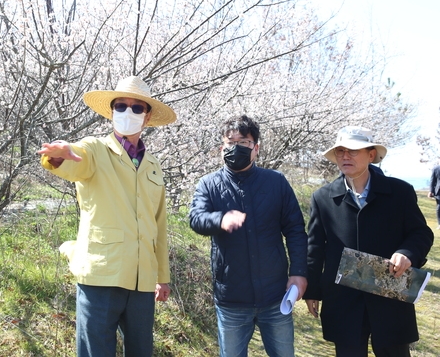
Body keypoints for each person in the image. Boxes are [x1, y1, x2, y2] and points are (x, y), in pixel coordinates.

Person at [37, 76, 176, 357]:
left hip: (142, 278)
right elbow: (75, 158)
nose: (129, 112)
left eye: (138, 108)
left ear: (147, 117)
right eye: (121, 106)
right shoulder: (96, 149)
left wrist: (162, 276)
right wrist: (60, 155)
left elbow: (158, 224)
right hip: (102, 274)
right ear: (111, 112)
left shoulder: (153, 165)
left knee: (141, 351)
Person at [304, 126, 434, 357]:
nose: (345, 156)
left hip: (390, 293)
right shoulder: (323, 197)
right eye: (341, 151)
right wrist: (312, 290)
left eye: (353, 151)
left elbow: (421, 233)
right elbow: (315, 249)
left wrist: (407, 253)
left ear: (371, 155)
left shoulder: (400, 192)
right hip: (343, 298)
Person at [189, 115, 308, 357]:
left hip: (276, 296)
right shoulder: (208, 184)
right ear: (222, 147)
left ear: (256, 148)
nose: (236, 148)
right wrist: (220, 219)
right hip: (231, 297)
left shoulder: (276, 182)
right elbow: (196, 219)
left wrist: (298, 273)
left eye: (243, 142)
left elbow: (295, 229)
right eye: (230, 143)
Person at [427, 164, 440, 229]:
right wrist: (431, 191)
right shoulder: (436, 168)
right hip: (439, 191)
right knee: (439, 207)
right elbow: (432, 180)